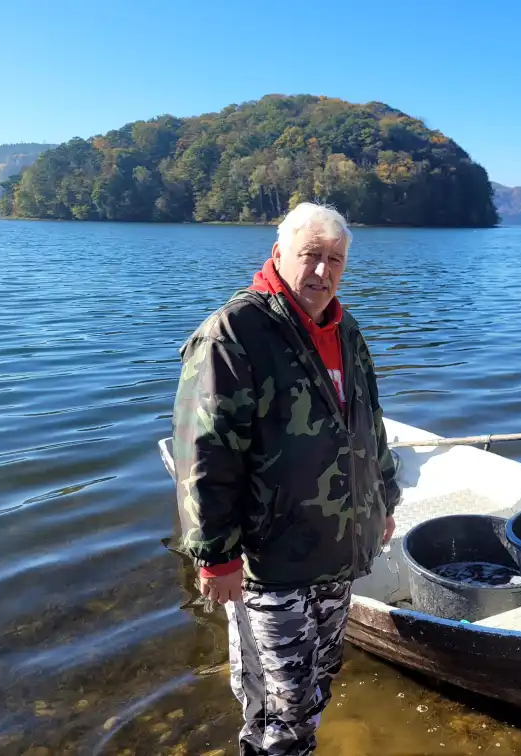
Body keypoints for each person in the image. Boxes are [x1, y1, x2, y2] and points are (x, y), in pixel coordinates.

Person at [170, 202, 401, 755]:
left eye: (336, 260)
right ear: (279, 254)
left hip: (336, 548)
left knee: (316, 685)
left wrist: (383, 500)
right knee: (286, 702)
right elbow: (204, 454)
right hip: (269, 559)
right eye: (311, 257)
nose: (323, 272)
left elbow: (369, 425)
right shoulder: (234, 333)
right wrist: (216, 555)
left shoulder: (346, 331)